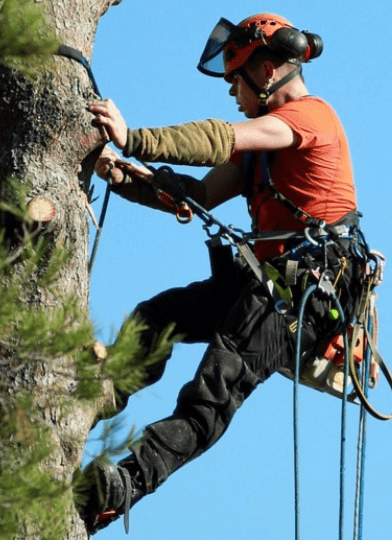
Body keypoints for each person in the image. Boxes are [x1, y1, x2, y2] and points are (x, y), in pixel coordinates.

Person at [77, 13, 368, 535]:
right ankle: (103, 390)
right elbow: (200, 194)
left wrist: (134, 138)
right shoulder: (261, 154)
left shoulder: (309, 118)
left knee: (212, 392)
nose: (232, 91)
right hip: (267, 281)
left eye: (236, 78)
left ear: (267, 69)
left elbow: (216, 138)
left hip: (305, 292)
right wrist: (124, 176)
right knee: (157, 316)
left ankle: (123, 487)